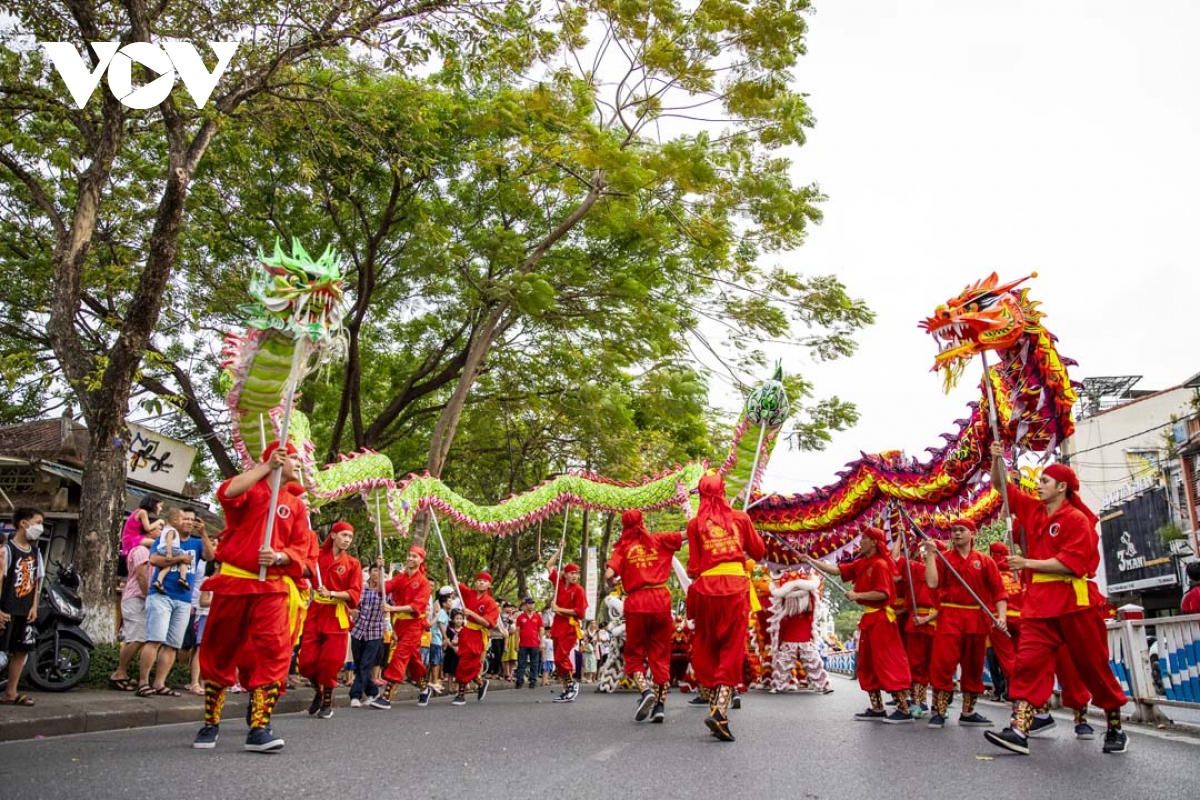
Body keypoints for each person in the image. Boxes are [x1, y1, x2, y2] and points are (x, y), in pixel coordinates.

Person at [984, 441, 1130, 756]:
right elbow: (1001, 485)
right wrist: (997, 460)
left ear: (1062, 486)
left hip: (1073, 599)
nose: (1038, 485)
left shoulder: (1076, 519)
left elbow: (1072, 563)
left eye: (1045, 481)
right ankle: (1019, 730)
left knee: (1093, 667)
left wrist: (1027, 564)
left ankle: (1115, 727)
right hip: (1038, 604)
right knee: (1028, 665)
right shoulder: (1032, 509)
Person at [194, 440, 318, 752]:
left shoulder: (298, 506)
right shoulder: (253, 489)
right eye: (293, 458)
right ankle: (211, 722)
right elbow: (227, 493)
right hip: (235, 583)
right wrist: (264, 468)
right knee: (220, 650)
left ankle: (260, 726)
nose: (298, 464)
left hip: (273, 587)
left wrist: (279, 557)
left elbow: (302, 550)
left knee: (275, 652)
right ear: (276, 459)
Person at [803, 526, 913, 724]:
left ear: (873, 542)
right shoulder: (863, 562)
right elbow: (837, 570)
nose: (860, 542)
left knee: (887, 663)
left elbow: (884, 593)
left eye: (863, 539)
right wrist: (812, 562)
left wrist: (857, 595)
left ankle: (904, 709)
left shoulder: (880, 564)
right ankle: (877, 708)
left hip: (881, 620)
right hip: (870, 620)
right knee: (867, 664)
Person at [685, 473, 765, 742]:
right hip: (735, 588)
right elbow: (758, 552)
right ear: (723, 491)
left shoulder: (695, 524)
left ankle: (714, 707)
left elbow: (694, 567)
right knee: (732, 649)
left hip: (706, 589)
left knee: (708, 647)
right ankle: (720, 710)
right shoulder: (740, 518)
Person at [921, 518, 1007, 728]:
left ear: (973, 534)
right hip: (950, 615)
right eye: (954, 530)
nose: (957, 534)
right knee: (943, 663)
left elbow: (999, 592)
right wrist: (931, 555)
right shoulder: (944, 558)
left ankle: (968, 712)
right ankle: (939, 710)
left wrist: (1001, 617)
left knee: (973, 664)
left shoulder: (985, 561)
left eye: (961, 530)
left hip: (976, 617)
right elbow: (932, 582)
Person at [606, 508, 683, 722]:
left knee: (635, 654)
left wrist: (611, 581)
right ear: (643, 521)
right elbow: (687, 534)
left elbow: (610, 574)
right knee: (660, 654)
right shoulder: (659, 539)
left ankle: (645, 691)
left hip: (637, 601)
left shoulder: (622, 547)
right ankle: (659, 706)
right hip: (660, 600)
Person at [139, 507, 211, 698]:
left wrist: (204, 533)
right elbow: (153, 559)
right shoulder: (166, 536)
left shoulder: (196, 543)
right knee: (154, 639)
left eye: (192, 519)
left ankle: (160, 682)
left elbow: (211, 556)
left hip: (184, 599)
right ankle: (143, 682)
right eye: (185, 518)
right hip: (161, 595)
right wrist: (179, 557)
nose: (188, 522)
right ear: (177, 521)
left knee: (172, 644)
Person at [299, 521, 362, 718]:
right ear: (333, 535)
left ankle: (327, 699)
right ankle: (318, 690)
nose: (347, 540)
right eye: (344, 535)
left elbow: (354, 593)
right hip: (316, 612)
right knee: (306, 662)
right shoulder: (317, 557)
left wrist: (332, 593)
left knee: (330, 662)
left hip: (336, 615)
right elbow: (302, 569)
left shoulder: (353, 563)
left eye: (350, 537)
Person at [373, 545, 432, 709]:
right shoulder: (401, 577)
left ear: (421, 560)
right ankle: (425, 688)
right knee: (413, 660)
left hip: (415, 624)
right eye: (410, 555)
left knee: (399, 655)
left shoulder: (424, 583)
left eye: (415, 556)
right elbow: (381, 589)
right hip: (400, 624)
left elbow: (416, 607)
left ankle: (386, 696)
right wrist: (379, 569)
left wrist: (392, 609)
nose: (411, 559)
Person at [0, 508, 44, 706]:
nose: (40, 527)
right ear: (23, 523)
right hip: (7, 609)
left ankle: (11, 692)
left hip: (25, 610)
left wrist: (34, 606)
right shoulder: (7, 550)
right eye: (38, 522)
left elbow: (36, 582)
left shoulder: (36, 552)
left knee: (21, 651)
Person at [768, 567, 833, 695]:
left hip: (804, 634)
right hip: (790, 634)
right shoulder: (785, 606)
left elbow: (816, 595)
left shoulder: (810, 602)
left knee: (811, 660)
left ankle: (822, 684)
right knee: (785, 661)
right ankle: (779, 684)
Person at [448, 567, 499, 706]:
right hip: (466, 632)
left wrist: (471, 614)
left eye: (484, 581)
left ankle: (461, 694)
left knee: (468, 663)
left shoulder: (491, 603)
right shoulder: (469, 594)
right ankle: (480, 683)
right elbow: (454, 580)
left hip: (478, 634)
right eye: (479, 580)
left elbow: (488, 623)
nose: (481, 583)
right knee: (465, 662)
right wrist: (450, 565)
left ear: (489, 585)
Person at [109, 528, 153, 691]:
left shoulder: (149, 550)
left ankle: (122, 672)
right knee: (139, 637)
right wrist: (148, 595)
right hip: (136, 597)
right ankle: (119, 672)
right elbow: (141, 575)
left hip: (139, 598)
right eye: (159, 529)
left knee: (135, 637)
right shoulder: (141, 550)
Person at [546, 549, 588, 703]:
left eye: (576, 573)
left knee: (561, 656)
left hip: (569, 627)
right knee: (557, 660)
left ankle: (571, 685)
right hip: (557, 626)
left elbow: (580, 612)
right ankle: (565, 689)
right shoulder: (559, 582)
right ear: (565, 574)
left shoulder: (579, 591)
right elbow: (549, 565)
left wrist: (559, 609)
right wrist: (560, 550)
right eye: (572, 573)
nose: (575, 576)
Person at [986, 540, 1023, 702]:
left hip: (999, 619)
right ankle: (1025, 688)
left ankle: (1018, 690)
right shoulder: (1017, 571)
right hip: (1021, 617)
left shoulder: (990, 571)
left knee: (1007, 658)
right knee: (1021, 655)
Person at [349, 562, 387, 707]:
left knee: (365, 664)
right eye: (375, 570)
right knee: (359, 665)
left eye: (381, 572)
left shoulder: (385, 591)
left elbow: (393, 605)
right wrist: (352, 610)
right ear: (370, 572)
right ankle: (373, 691)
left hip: (375, 632)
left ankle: (355, 695)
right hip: (358, 630)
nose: (378, 574)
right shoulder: (361, 588)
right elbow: (352, 602)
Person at [120, 494, 163, 575]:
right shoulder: (142, 512)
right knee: (156, 543)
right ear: (153, 504)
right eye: (160, 506)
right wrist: (159, 521)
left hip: (135, 537)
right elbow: (148, 528)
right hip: (131, 538)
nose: (161, 509)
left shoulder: (140, 511)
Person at [427, 589, 454, 694]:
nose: (451, 603)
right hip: (435, 639)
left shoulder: (445, 613)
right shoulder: (442, 612)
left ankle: (431, 680)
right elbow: (440, 625)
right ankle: (434, 681)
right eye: (449, 601)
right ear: (444, 603)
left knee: (435, 660)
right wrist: (446, 638)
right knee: (435, 661)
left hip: (437, 639)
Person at [514, 596, 543, 689]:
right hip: (523, 644)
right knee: (521, 663)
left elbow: (541, 630)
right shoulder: (520, 617)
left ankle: (533, 680)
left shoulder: (538, 616)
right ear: (525, 605)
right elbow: (517, 631)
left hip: (534, 644)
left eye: (532, 603)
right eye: (529, 604)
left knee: (534, 663)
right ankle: (519, 680)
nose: (531, 605)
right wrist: (516, 643)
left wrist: (541, 642)